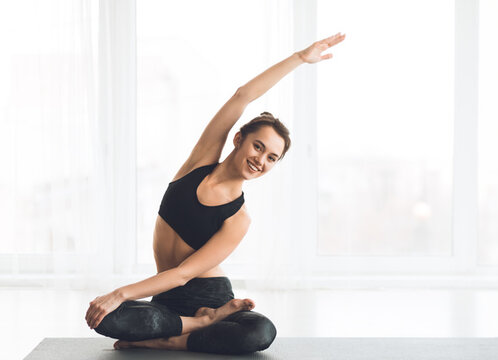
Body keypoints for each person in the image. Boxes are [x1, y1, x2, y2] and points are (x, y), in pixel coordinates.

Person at [83, 32, 346, 355]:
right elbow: (242, 96)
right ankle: (197, 326)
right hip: (167, 297)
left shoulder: (239, 219)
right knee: (105, 317)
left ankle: (175, 336)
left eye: (271, 158)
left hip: (208, 294)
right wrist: (300, 59)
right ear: (238, 139)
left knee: (260, 331)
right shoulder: (199, 162)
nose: (260, 160)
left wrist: (121, 293)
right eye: (258, 146)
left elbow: (182, 274)